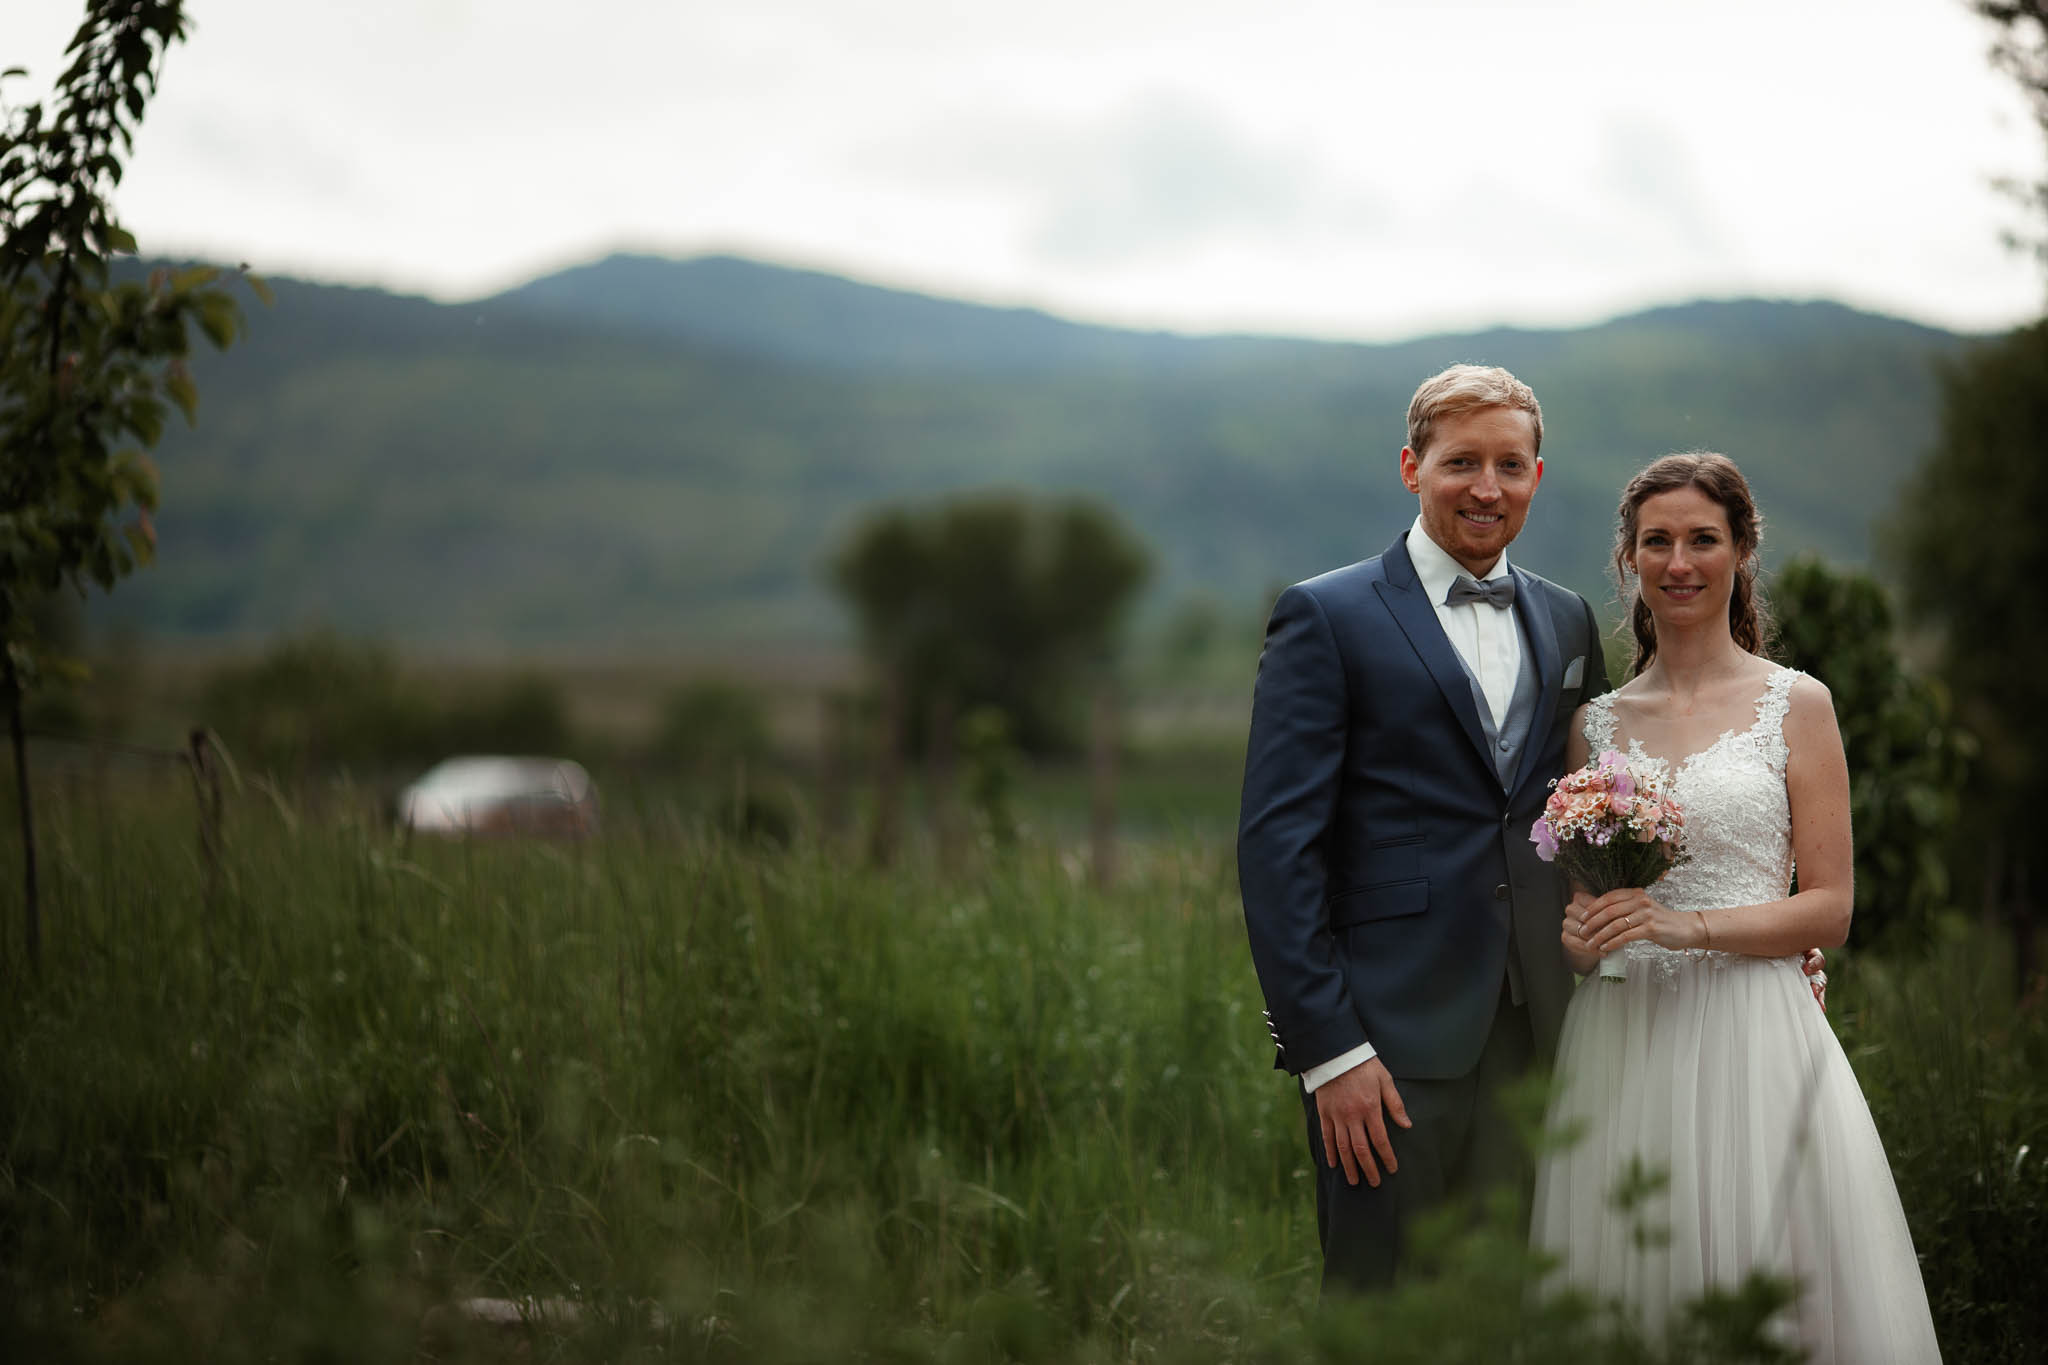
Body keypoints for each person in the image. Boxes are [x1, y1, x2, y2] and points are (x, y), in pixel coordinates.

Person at [1530, 453, 1941, 1361]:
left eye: (1703, 539)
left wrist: (1690, 926)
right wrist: (1581, 938)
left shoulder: (1798, 705)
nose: (1680, 561)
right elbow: (1587, 915)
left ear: (1741, 549)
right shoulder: (1593, 724)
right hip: (1623, 1037)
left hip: (1758, 1034)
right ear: (1629, 558)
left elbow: (1830, 909)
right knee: (1634, 1288)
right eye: (1658, 541)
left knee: (1771, 1291)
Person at [1237, 364, 1612, 1293]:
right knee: (1380, 1310)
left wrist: (1742, 941)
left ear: (1536, 476)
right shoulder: (1325, 615)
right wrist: (1329, 1051)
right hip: (1387, 1040)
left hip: (1536, 1031)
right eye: (1462, 462)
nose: (1487, 487)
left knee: (1506, 1309)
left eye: (1510, 465)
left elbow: (1597, 818)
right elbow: (1277, 852)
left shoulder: (1566, 620)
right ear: (1412, 467)